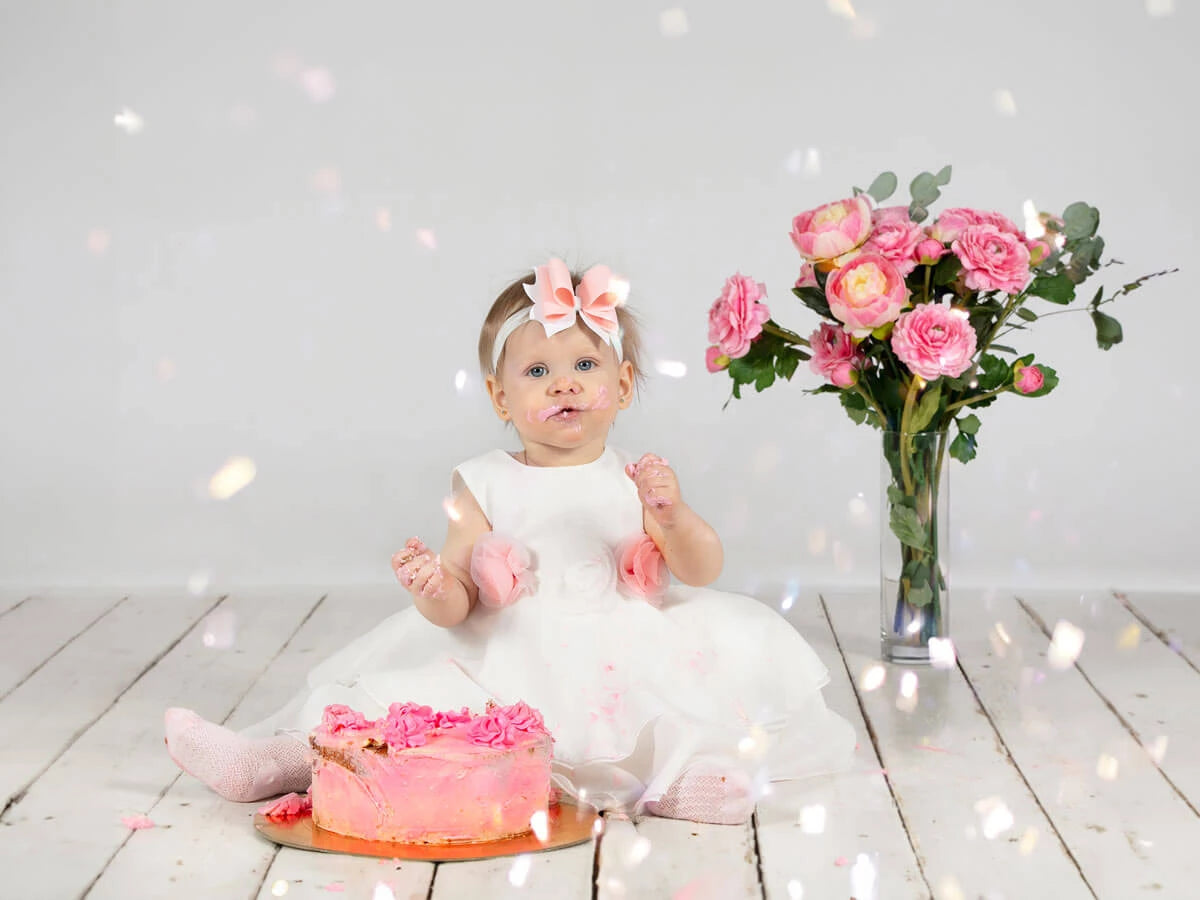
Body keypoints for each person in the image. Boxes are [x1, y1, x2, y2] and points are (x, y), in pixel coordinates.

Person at [165, 257, 854, 824]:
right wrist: (435, 588)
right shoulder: (483, 481)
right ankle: (273, 762)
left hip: (620, 646)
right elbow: (460, 604)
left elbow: (701, 569)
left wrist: (671, 520)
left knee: (650, 712)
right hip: (502, 649)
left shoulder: (637, 478)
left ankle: (670, 787)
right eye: (536, 372)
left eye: (586, 367)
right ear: (500, 399)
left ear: (622, 384)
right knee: (403, 708)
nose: (564, 383)